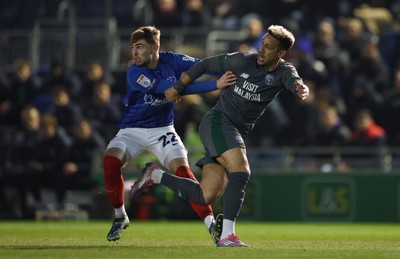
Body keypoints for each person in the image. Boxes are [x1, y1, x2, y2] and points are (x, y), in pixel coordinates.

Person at [131, 24, 309, 247]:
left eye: (269, 48)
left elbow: (296, 82)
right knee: (241, 170)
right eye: (262, 44)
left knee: (206, 195)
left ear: (281, 54)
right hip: (218, 122)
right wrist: (178, 87)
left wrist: (301, 88)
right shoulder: (243, 60)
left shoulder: (284, 71)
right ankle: (227, 235)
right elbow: (205, 64)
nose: (261, 50)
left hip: (234, 132)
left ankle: (155, 175)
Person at [103, 25, 236, 243]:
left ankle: (212, 226)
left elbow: (202, 65)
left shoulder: (172, 60)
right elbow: (172, 89)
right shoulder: (135, 72)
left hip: (162, 129)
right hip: (132, 130)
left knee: (185, 173)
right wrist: (216, 84)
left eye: (139, 47)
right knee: (110, 161)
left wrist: (232, 71)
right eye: (133, 47)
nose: (134, 52)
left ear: (155, 47)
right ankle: (120, 216)